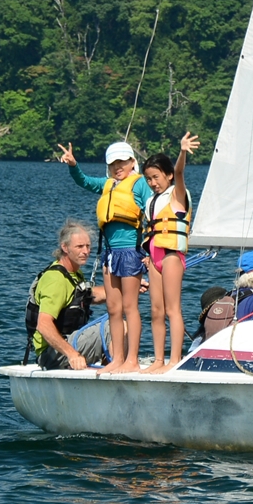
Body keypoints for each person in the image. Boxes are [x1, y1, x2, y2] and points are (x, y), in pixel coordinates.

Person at [59, 140, 155, 373]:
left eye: (122, 162)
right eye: (113, 163)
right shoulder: (107, 184)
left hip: (130, 252)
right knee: (113, 308)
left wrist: (151, 253)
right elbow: (84, 181)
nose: (117, 167)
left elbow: (154, 214)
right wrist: (73, 165)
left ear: (133, 162)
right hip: (110, 255)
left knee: (130, 307)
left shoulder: (140, 184)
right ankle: (117, 359)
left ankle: (132, 360)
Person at [140, 133, 200, 372]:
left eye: (156, 177)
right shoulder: (152, 201)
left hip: (172, 256)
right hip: (153, 259)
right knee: (156, 310)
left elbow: (181, 172)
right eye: (148, 179)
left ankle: (174, 360)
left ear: (168, 175)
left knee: (172, 308)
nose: (153, 182)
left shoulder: (177, 194)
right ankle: (158, 360)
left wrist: (182, 151)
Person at [28, 220, 111, 370]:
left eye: (88, 246)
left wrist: (129, 289)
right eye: (79, 247)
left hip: (68, 345)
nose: (86, 251)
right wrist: (72, 354)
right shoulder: (56, 279)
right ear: (65, 247)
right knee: (113, 326)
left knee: (117, 320)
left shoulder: (73, 274)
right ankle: (113, 373)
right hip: (52, 355)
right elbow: (43, 324)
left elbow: (90, 295)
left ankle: (108, 369)